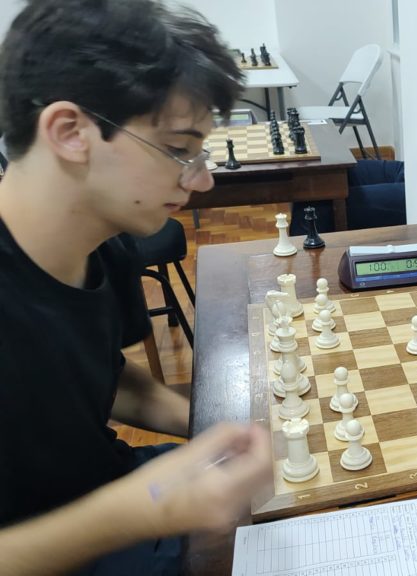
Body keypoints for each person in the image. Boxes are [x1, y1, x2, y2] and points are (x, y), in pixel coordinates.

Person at [0, 0, 271, 574]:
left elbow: (106, 377)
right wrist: (142, 509)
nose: (203, 180)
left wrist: (224, 427)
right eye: (178, 150)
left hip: (110, 494)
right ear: (71, 132)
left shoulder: (105, 242)